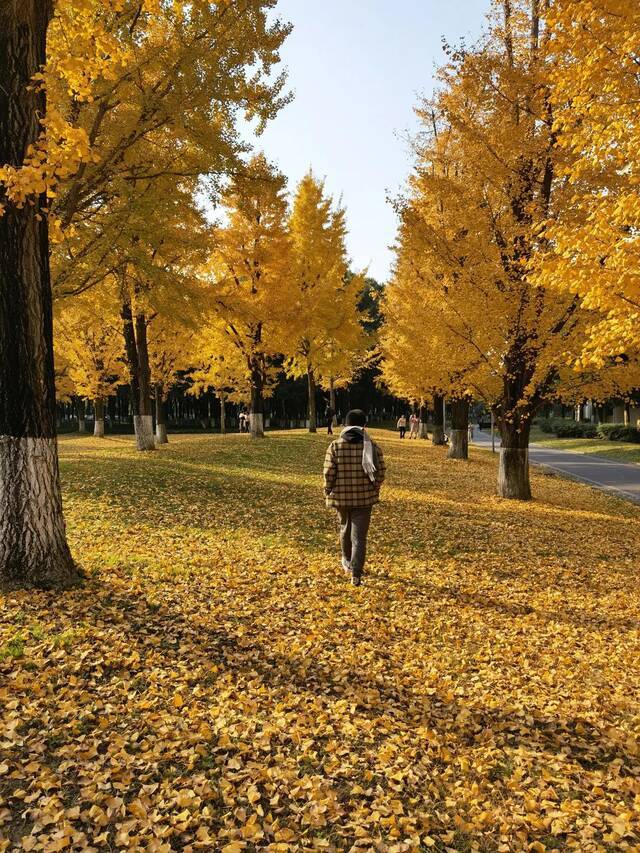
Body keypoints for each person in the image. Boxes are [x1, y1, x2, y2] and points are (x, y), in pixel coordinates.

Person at [323, 409, 386, 586]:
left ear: (346, 424)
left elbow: (329, 472)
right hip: (364, 499)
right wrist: (374, 487)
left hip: (341, 498)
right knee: (359, 536)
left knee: (345, 527)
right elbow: (380, 473)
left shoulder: (335, 446)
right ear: (364, 425)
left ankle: (347, 561)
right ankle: (356, 574)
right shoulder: (372, 446)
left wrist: (328, 489)